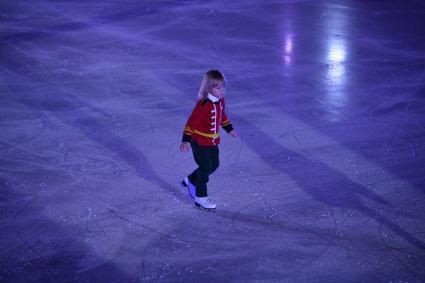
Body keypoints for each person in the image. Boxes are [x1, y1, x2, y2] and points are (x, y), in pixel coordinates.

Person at [180, 69, 237, 209]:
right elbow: (191, 123)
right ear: (208, 88)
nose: (222, 90)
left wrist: (229, 128)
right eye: (218, 88)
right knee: (205, 168)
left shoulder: (220, 101)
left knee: (214, 165)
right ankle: (201, 197)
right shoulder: (203, 105)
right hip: (199, 141)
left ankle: (190, 179)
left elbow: (221, 117)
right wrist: (186, 140)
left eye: (223, 86)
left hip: (212, 141)